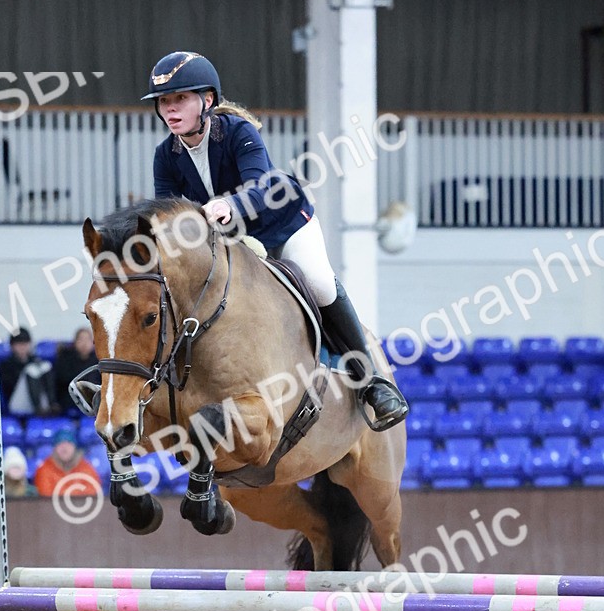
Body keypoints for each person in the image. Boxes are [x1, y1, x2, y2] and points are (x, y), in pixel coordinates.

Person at [143, 51, 409, 431]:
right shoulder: (165, 156)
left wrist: (230, 205)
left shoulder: (237, 132)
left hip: (280, 225)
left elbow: (263, 186)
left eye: (179, 99)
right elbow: (167, 214)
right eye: (164, 102)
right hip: (229, 244)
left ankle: (370, 382)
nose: (170, 109)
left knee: (317, 282)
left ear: (207, 101)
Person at [0, 328, 56, 417]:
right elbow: (8, 387)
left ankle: (51, 404)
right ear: (12, 346)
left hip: (40, 401)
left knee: (46, 366)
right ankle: (39, 408)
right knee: (31, 370)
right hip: (17, 403)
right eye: (18, 344)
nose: (22, 347)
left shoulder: (36, 360)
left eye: (25, 344)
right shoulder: (6, 365)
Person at [33, 425, 101, 499]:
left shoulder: (86, 468)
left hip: (82, 509)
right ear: (55, 448)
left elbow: (93, 492)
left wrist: (65, 493)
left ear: (75, 447)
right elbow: (45, 495)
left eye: (68, 443)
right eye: (60, 444)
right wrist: (76, 492)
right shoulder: (44, 469)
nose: (64, 448)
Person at [53, 327, 99, 414]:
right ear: (75, 342)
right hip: (68, 401)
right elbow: (61, 380)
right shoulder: (65, 358)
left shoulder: (98, 361)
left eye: (88, 340)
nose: (84, 344)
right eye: (81, 339)